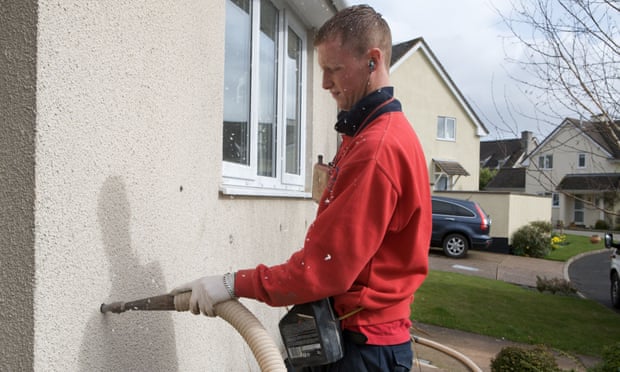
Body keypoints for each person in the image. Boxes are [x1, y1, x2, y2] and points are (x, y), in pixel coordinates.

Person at [172, 5, 432, 371]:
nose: (324, 83)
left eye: (333, 70)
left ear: (373, 61)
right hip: (363, 337)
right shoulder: (371, 135)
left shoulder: (376, 149)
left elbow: (324, 269)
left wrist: (232, 284)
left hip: (361, 349)